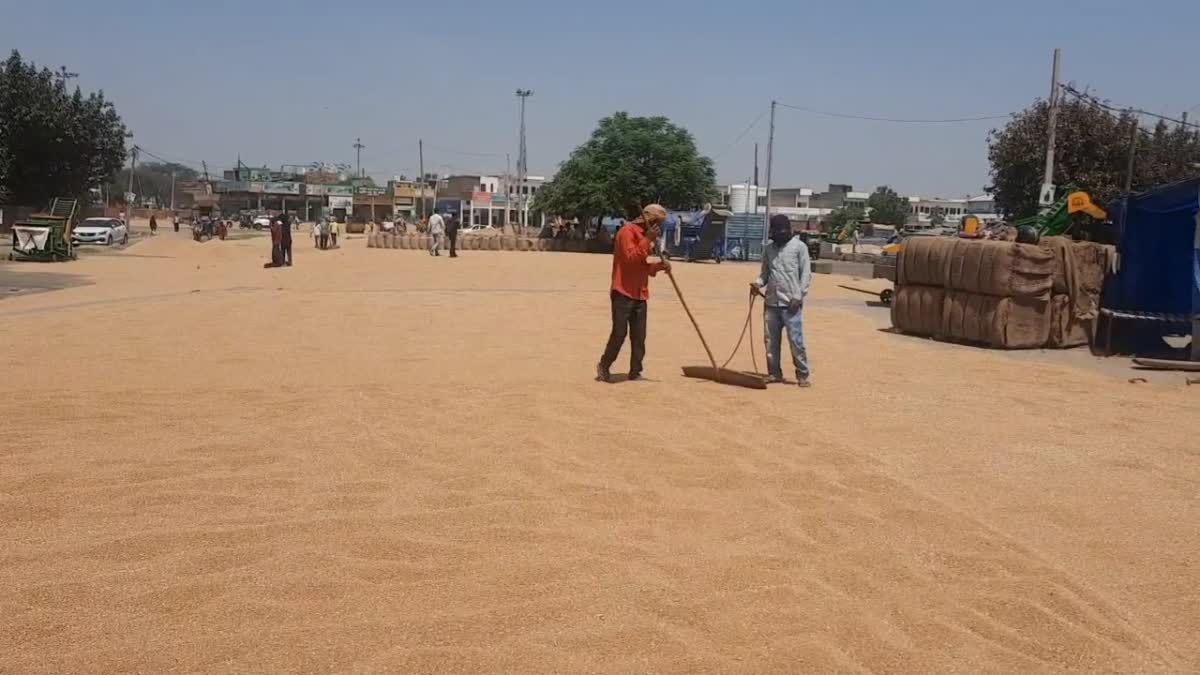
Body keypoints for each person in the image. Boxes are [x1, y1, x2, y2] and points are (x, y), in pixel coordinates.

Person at [596, 204, 671, 383]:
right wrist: (647, 240)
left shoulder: (648, 237)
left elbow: (643, 267)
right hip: (622, 291)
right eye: (656, 223)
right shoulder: (626, 232)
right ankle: (604, 365)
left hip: (640, 293)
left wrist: (660, 266)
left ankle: (635, 371)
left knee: (639, 336)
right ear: (649, 220)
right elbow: (630, 259)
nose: (658, 228)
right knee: (619, 333)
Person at [751, 214, 812, 387]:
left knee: (796, 341)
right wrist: (757, 284)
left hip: (791, 304)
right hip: (771, 303)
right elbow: (765, 273)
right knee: (770, 341)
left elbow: (806, 275)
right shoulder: (769, 249)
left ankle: (802, 375)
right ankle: (774, 373)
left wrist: (798, 296)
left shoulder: (800, 248)